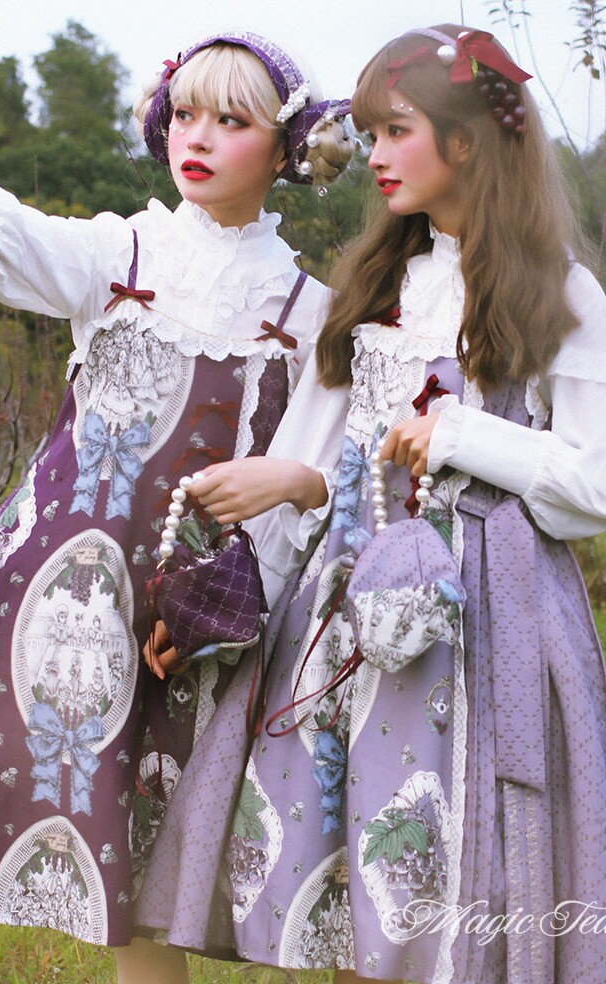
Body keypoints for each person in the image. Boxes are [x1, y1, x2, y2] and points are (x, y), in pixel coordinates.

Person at [162, 23, 606, 984]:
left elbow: (593, 485)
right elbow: (314, 460)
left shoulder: (560, 294)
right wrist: (232, 603)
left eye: (396, 131)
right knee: (355, 895)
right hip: (344, 621)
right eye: (369, 134)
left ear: (468, 140)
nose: (373, 155)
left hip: (487, 623)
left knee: (454, 891)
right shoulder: (374, 286)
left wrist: (463, 436)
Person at [0, 30, 352, 984]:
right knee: (91, 830)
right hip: (69, 594)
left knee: (151, 849)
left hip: (194, 609)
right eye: (183, 113)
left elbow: (308, 478)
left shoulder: (309, 311)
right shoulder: (117, 251)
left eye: (233, 120)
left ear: (289, 149)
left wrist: (224, 608)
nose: (197, 137)